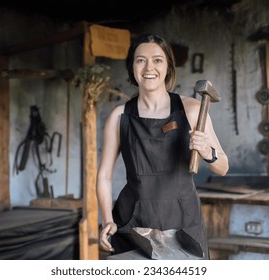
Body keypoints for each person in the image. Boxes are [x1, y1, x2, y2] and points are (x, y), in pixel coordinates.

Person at [96, 33, 229, 259]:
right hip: (131, 226)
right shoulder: (119, 116)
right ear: (133, 67)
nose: (149, 67)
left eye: (157, 60)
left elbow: (223, 167)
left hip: (183, 225)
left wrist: (208, 152)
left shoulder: (193, 109)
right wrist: (107, 218)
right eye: (140, 60)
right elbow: (104, 176)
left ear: (168, 66)